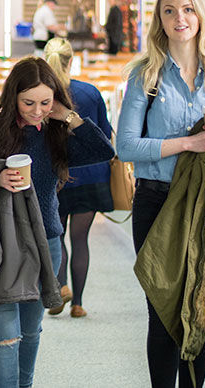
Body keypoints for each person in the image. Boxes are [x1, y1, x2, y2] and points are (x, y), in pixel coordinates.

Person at [116, 0, 205, 388]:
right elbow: (126, 146)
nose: (180, 18)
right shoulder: (145, 75)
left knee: (198, 308)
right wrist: (188, 142)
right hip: (156, 201)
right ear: (159, 19)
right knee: (162, 310)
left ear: (202, 15)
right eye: (169, 10)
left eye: (188, 9)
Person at [0, 56, 114, 388]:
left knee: (31, 330)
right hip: (1, 245)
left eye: (45, 102)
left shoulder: (55, 133)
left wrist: (68, 116)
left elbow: (103, 150)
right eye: (28, 102)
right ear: (13, 96)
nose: (36, 110)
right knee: (5, 334)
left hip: (46, 243)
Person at [39, 38, 115, 319]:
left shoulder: (42, 96)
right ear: (71, 61)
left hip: (56, 178)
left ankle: (61, 286)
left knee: (56, 236)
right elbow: (104, 135)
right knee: (80, 239)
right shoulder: (90, 93)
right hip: (91, 176)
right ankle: (78, 304)